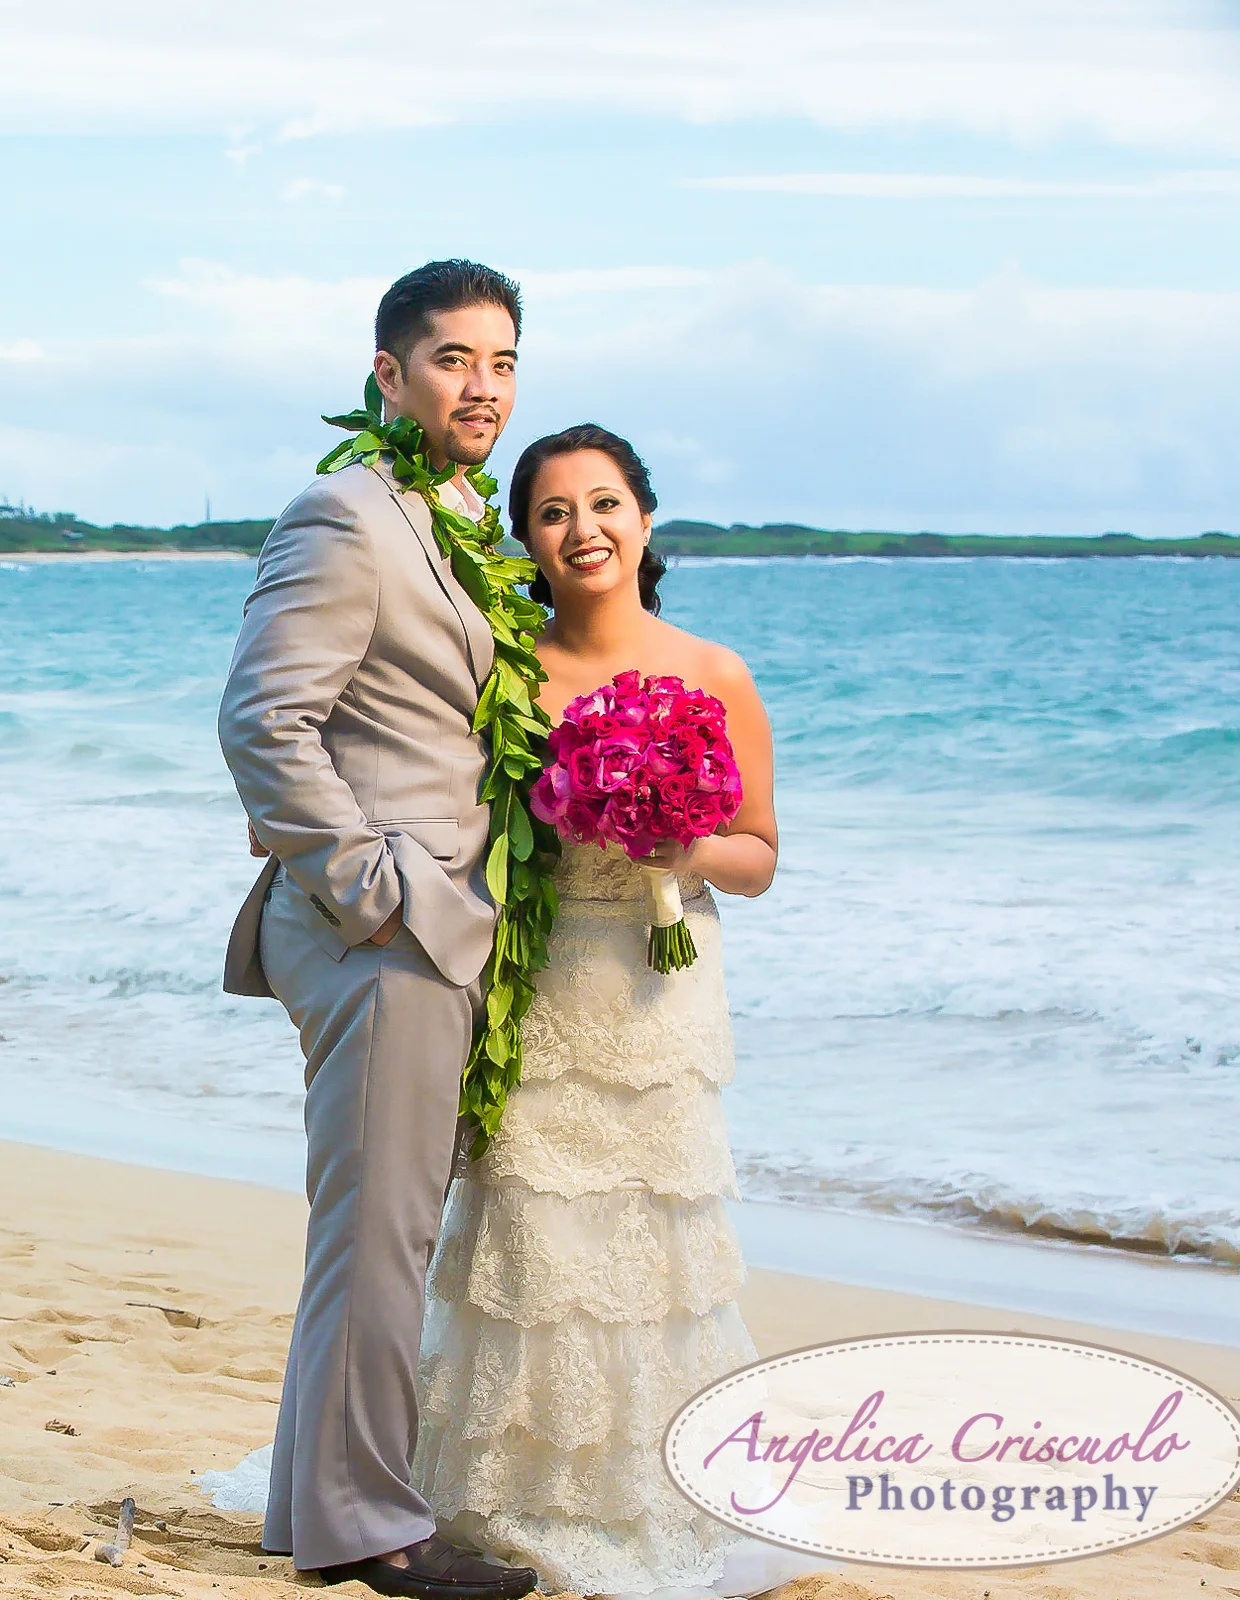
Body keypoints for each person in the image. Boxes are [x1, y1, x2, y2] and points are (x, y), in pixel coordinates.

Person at [411, 423, 824, 1600]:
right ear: (527, 541)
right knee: (531, 1238)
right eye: (551, 512)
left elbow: (759, 856)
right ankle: (497, 1494)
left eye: (603, 504)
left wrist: (675, 833)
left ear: (643, 518)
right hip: (536, 986)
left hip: (660, 993)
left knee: (651, 1247)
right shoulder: (507, 667)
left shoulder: (714, 670)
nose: (581, 530)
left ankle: (650, 1492)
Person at [217, 260, 539, 1600]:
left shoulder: (457, 518)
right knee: (379, 1233)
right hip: (382, 929)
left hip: (432, 928)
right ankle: (371, 1531)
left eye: (505, 362)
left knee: (375, 1230)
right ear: (388, 373)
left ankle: (317, 1507)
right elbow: (262, 720)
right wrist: (377, 889)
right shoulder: (345, 514)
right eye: (456, 359)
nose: (484, 386)